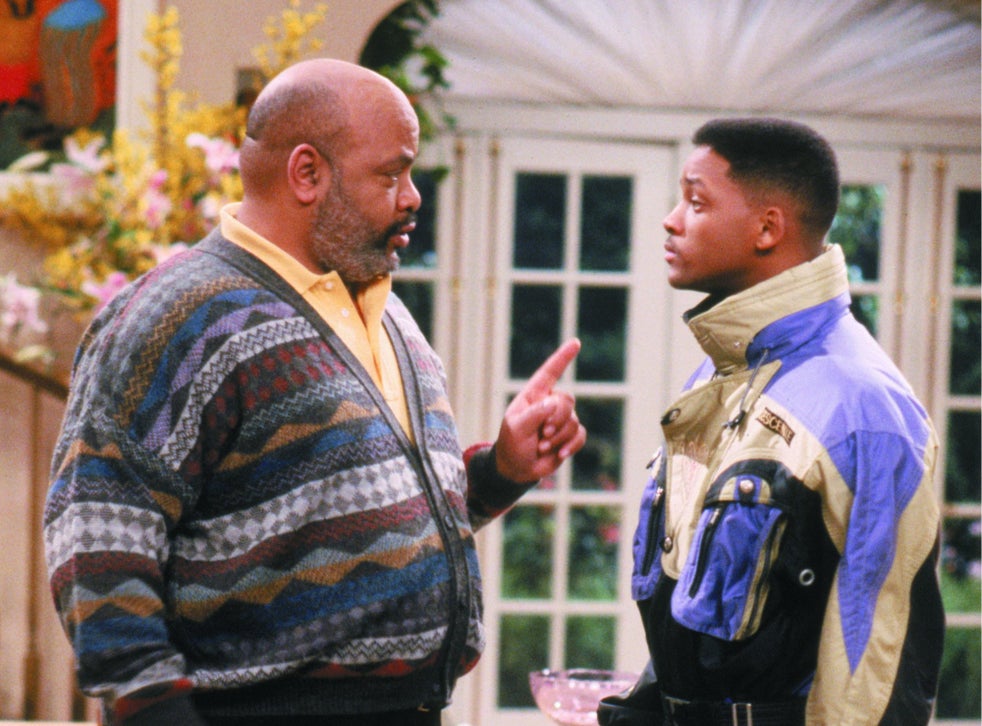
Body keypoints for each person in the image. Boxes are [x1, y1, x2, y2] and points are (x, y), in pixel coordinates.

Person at [43, 58, 586, 726]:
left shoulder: (387, 313)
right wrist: (150, 706)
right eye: (391, 174)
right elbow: (97, 527)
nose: (413, 196)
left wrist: (501, 470)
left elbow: (360, 522)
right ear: (307, 173)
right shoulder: (178, 315)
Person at [599, 118, 943, 725]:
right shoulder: (719, 377)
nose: (672, 220)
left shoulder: (862, 408)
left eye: (696, 201)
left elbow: (878, 674)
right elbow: (696, 619)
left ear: (767, 228)